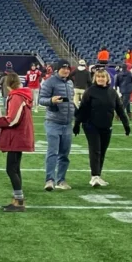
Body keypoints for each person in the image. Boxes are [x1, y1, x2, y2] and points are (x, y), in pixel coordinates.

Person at [74, 68, 130, 188]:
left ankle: (98, 175)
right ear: (95, 78)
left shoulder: (112, 93)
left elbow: (120, 109)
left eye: (103, 77)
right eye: (98, 77)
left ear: (107, 78)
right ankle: (94, 177)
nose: (100, 79)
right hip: (90, 125)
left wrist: (126, 124)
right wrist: (77, 124)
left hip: (106, 126)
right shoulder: (89, 92)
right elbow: (82, 109)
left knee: (102, 151)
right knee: (95, 150)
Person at [0, 73, 34, 212]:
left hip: (17, 136)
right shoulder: (22, 95)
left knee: (11, 168)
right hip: (20, 135)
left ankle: (19, 201)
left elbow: (12, 119)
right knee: (15, 168)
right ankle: (17, 199)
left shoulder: (17, 96)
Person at [39, 59, 75, 191]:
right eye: (63, 68)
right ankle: (49, 180)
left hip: (67, 123)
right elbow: (41, 99)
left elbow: (70, 101)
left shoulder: (70, 82)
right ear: (57, 69)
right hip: (53, 122)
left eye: (67, 68)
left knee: (64, 154)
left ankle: (61, 180)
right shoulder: (50, 82)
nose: (66, 70)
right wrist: (51, 100)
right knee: (52, 152)